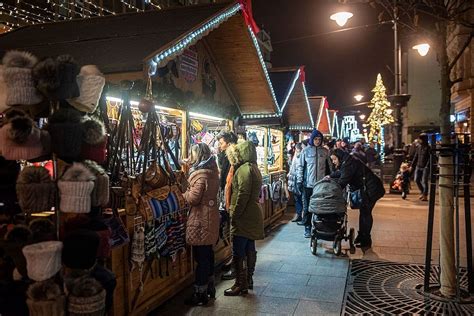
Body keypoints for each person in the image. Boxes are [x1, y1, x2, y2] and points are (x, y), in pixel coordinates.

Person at [224, 141, 264, 296]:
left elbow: (243, 194)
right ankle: (248, 280)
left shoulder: (243, 169)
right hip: (252, 213)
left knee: (238, 251)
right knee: (249, 248)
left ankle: (240, 284)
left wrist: (235, 214)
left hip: (245, 215)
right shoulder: (254, 168)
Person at [183, 143, 220, 306]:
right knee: (208, 254)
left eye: (193, 154)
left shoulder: (201, 175)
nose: (191, 157)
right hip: (210, 217)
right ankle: (210, 286)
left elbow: (193, 198)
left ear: (198, 155)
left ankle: (200, 293)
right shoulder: (212, 172)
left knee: (202, 257)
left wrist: (183, 193)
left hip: (201, 219)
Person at [329, 148, 385, 248]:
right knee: (364, 212)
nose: (333, 162)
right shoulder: (347, 161)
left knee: (366, 213)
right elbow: (342, 172)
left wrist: (331, 192)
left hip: (371, 189)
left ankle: (366, 240)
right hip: (368, 188)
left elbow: (343, 181)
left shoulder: (349, 164)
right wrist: (330, 176)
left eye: (334, 159)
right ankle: (362, 236)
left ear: (340, 158)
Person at [296, 129, 332, 238]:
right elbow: (300, 167)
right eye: (315, 139)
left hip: (321, 184)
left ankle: (319, 226)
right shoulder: (305, 151)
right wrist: (299, 180)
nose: (317, 141)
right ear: (312, 139)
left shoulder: (325, 152)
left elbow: (329, 167)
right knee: (307, 207)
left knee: (321, 205)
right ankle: (308, 227)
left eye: (319, 139)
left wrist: (331, 178)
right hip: (308, 184)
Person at [411, 134, 430, 201]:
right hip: (418, 166)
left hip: (425, 167)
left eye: (420, 139)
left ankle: (425, 195)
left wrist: (427, 166)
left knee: (424, 181)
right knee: (417, 180)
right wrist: (412, 166)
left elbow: (430, 158)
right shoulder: (419, 147)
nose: (418, 140)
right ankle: (422, 192)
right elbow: (416, 157)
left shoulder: (428, 147)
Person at [288, 143, 303, 222]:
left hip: (298, 179)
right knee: (297, 197)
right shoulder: (296, 156)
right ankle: (299, 214)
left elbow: (299, 168)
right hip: (295, 179)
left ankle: (299, 214)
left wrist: (299, 180)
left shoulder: (299, 156)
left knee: (299, 198)